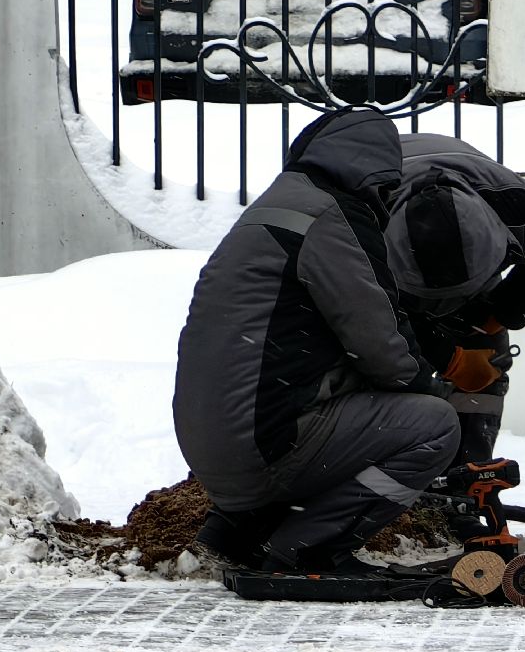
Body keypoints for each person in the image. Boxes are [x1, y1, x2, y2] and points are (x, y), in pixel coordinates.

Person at [172, 109, 458, 575]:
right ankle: (309, 547)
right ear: (379, 170)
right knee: (435, 427)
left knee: (315, 383)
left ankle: (237, 529)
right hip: (262, 448)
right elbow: (380, 344)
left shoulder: (276, 207)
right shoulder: (333, 214)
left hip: (216, 451)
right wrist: (433, 384)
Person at [382, 133, 525, 478]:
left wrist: (498, 315)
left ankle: (466, 480)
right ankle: (395, 480)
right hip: (386, 276)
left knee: (486, 365)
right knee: (385, 369)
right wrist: (447, 358)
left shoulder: (521, 212)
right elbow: (363, 316)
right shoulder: (356, 230)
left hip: (467, 224)